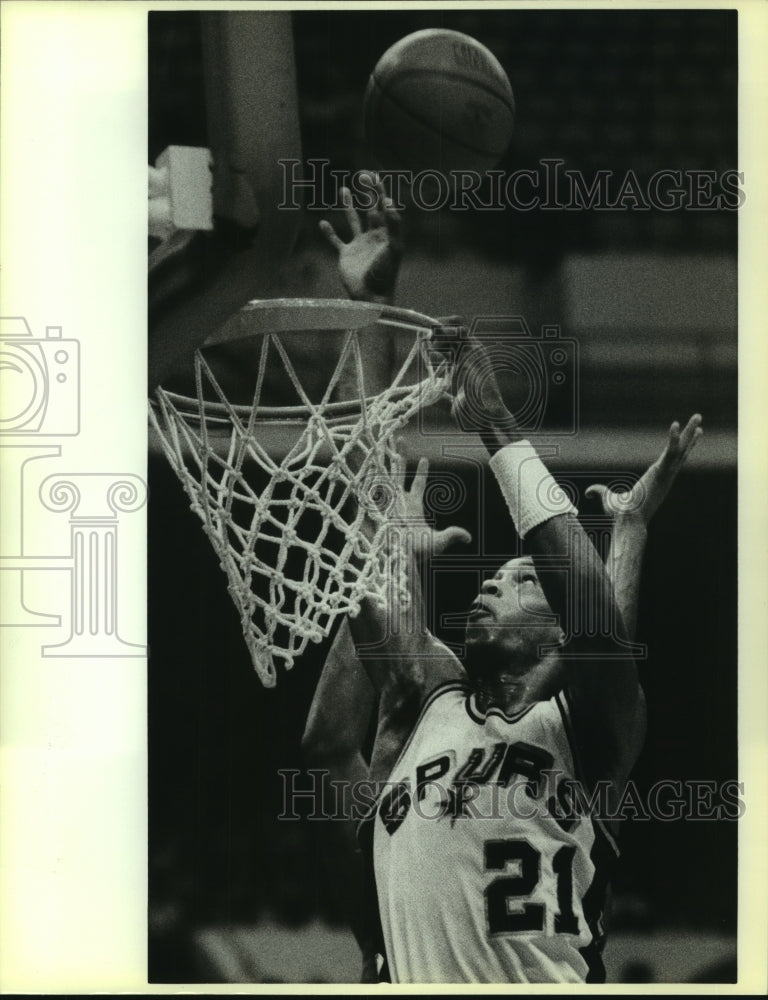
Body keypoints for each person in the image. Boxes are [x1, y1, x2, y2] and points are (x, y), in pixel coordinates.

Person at [302, 178, 703, 983]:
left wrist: (494, 422)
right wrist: (370, 310)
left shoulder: (591, 731)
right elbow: (370, 497)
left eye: (520, 578)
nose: (488, 581)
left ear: (555, 631)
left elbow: (596, 619)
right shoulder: (431, 696)